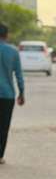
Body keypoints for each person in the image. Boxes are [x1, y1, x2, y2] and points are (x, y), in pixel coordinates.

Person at [0, 22, 25, 164]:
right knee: (3, 126)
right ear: (6, 35)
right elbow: (19, 75)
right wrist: (21, 93)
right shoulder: (13, 52)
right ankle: (0, 155)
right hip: (7, 95)